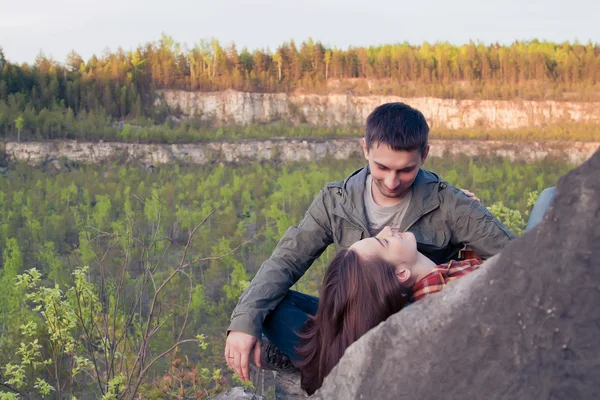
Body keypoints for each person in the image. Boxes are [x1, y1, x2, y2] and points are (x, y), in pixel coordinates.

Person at [225, 102, 515, 381]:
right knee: (272, 304)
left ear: (424, 155)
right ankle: (336, 368)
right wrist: (243, 323)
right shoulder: (336, 201)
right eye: (382, 167)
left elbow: (517, 259)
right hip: (355, 321)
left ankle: (348, 372)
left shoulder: (450, 204)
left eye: (405, 170)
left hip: (413, 330)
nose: (392, 182)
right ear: (365, 148)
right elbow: (287, 260)